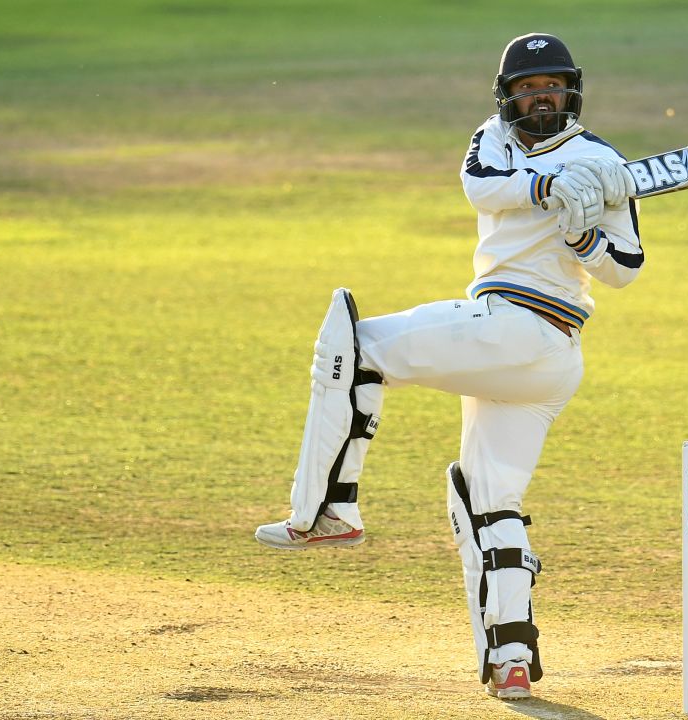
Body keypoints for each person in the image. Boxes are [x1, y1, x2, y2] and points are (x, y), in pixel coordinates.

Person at [254, 32, 643, 701]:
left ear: (572, 90)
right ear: (508, 97)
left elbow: (625, 268)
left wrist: (584, 234)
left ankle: (326, 511)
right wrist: (552, 186)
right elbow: (481, 189)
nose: (540, 96)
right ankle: (511, 658)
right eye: (528, 87)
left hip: (531, 335)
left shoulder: (603, 162)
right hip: (519, 352)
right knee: (486, 499)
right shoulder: (494, 139)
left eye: (551, 85)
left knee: (354, 345)